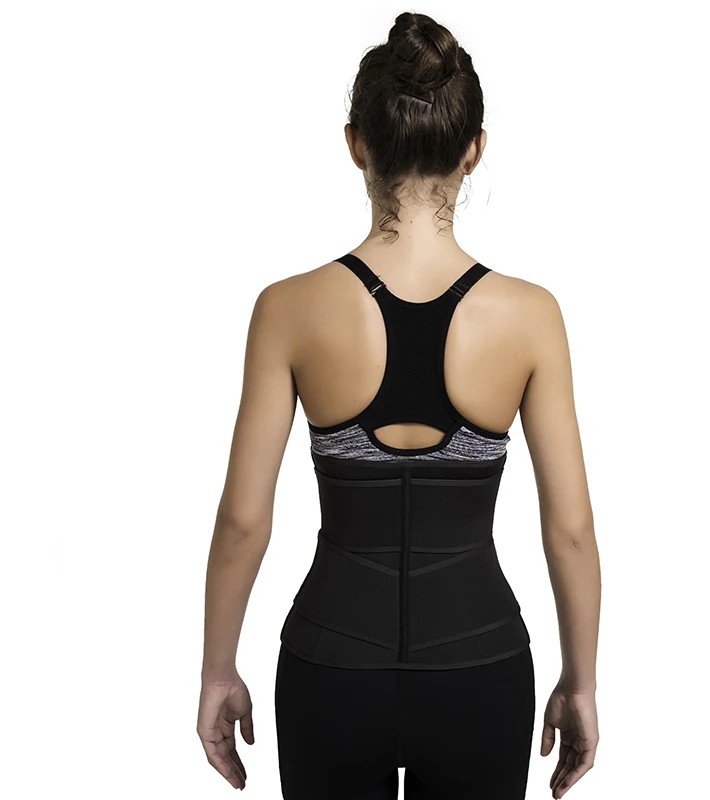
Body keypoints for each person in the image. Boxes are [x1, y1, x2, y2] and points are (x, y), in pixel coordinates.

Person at [197, 11, 600, 800]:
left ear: (357, 145)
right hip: (479, 672)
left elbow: (243, 521)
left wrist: (217, 670)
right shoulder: (531, 317)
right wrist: (580, 682)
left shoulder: (288, 310)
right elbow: (572, 530)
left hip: (329, 674)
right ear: (474, 148)